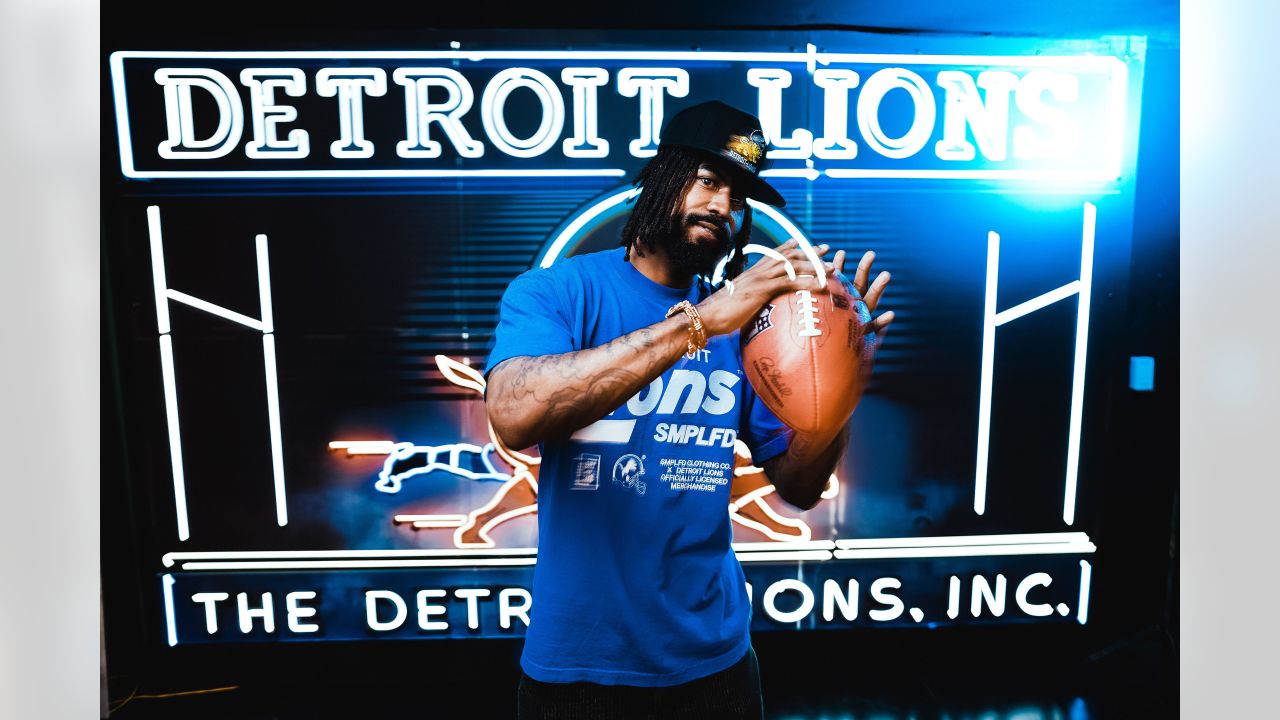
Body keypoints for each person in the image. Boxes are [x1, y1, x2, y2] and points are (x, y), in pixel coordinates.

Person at [484, 100, 893, 719]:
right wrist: (700, 324)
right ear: (659, 179)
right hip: (579, 666)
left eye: (738, 197)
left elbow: (800, 487)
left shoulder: (751, 329)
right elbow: (513, 415)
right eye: (707, 181)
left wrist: (835, 394)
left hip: (717, 666)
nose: (722, 208)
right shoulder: (556, 292)